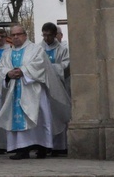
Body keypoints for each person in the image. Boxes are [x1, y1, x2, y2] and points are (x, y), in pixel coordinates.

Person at [0, 25, 71, 160]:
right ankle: (21, 148)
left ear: (25, 35)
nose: (16, 37)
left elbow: (41, 64)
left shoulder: (36, 49)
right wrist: (8, 73)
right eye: (13, 35)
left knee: (38, 117)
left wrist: (23, 71)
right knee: (17, 117)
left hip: (33, 91)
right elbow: (1, 68)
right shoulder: (8, 52)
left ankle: (42, 147)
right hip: (14, 91)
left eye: (18, 34)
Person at [41, 22, 71, 155]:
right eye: (44, 35)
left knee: (58, 114)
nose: (46, 38)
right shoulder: (38, 48)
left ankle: (60, 146)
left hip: (59, 87)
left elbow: (66, 65)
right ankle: (47, 145)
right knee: (45, 115)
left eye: (49, 35)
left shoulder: (63, 49)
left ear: (55, 35)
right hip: (44, 87)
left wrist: (50, 67)